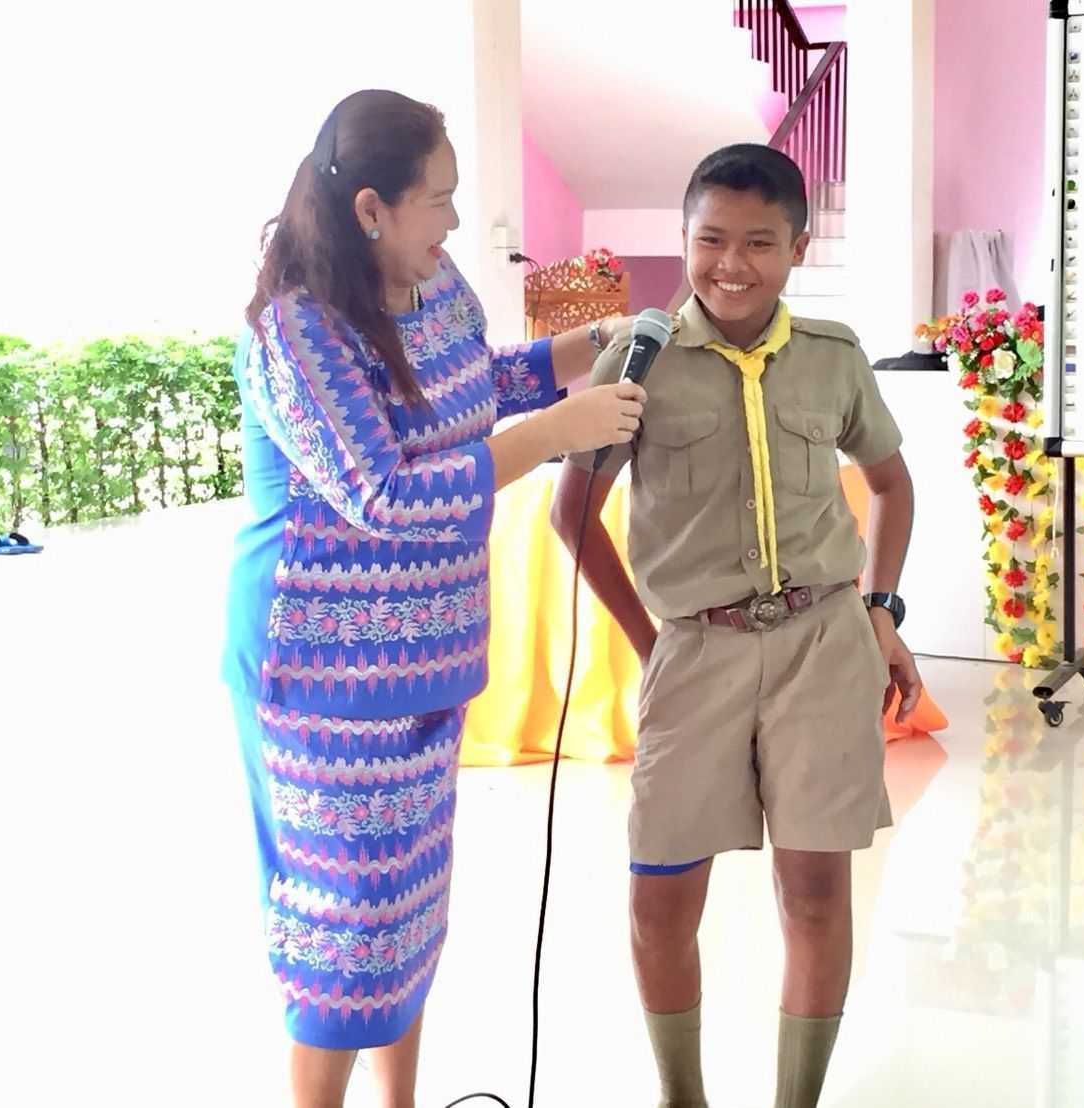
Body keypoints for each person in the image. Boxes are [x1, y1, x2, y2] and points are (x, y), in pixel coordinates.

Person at [222, 89, 647, 1108]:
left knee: (409, 916)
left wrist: (584, 347)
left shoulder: (435, 283)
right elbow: (381, 493)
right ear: (371, 209)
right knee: (344, 930)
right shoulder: (297, 331)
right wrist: (552, 434)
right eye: (439, 200)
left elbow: (472, 383)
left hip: (426, 660)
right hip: (322, 673)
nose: (456, 221)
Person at [551, 144, 923, 1108]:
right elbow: (571, 514)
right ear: (683, 238)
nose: (731, 264)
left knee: (817, 894)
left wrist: (880, 609)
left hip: (821, 645)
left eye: (760, 242)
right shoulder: (639, 360)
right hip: (695, 647)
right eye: (710, 239)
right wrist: (652, 642)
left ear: (798, 247)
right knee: (660, 898)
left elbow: (891, 485)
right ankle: (683, 1097)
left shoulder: (834, 357)